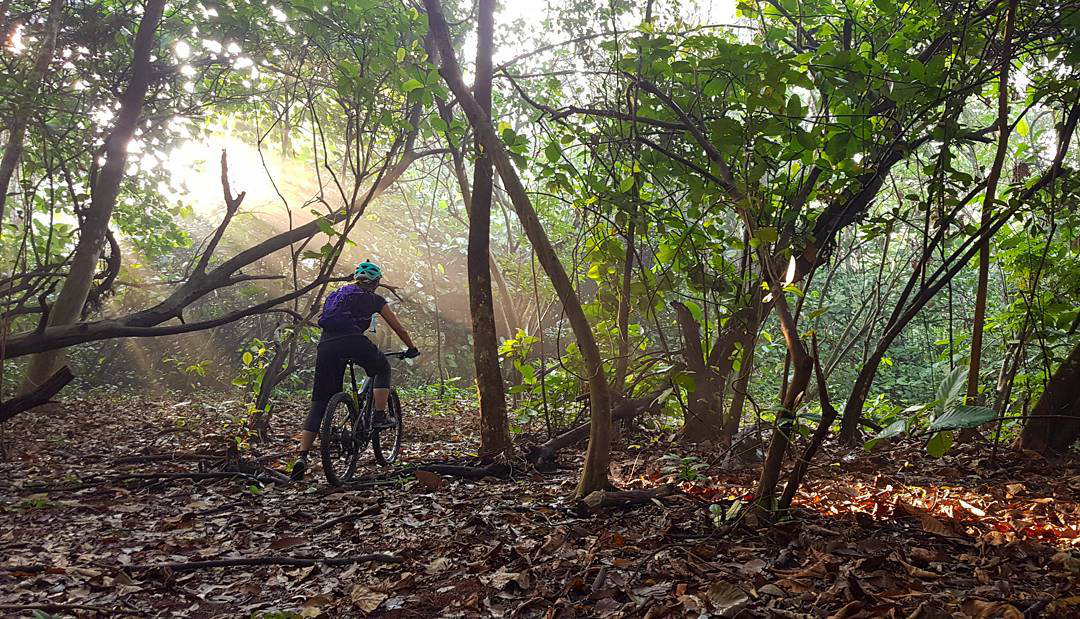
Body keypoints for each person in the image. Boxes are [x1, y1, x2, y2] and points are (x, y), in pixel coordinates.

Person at [290, 261, 419, 481]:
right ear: (376, 282)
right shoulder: (374, 299)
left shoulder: (335, 295)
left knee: (320, 402)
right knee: (382, 368)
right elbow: (398, 327)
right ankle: (379, 416)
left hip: (326, 346)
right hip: (352, 341)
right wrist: (412, 347)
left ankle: (302, 456)